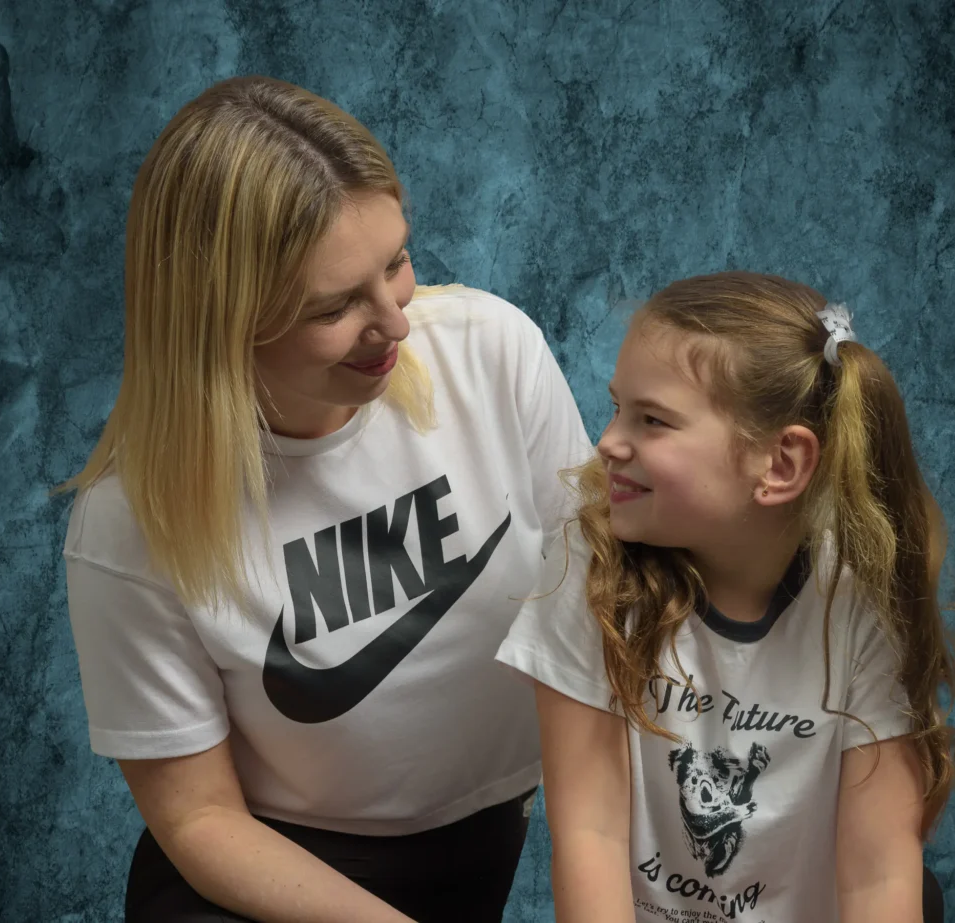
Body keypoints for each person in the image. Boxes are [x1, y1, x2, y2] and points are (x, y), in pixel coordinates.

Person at [60, 75, 591, 923]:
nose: (396, 323)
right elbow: (199, 817)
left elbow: (607, 614)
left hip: (483, 839)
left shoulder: (494, 353)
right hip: (268, 878)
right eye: (336, 306)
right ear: (221, 320)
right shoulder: (129, 524)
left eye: (397, 262)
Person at [496, 272, 955, 923]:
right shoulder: (589, 562)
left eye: (652, 419)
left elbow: (878, 876)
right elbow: (592, 836)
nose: (609, 442)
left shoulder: (859, 600)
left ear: (780, 464)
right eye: (617, 407)